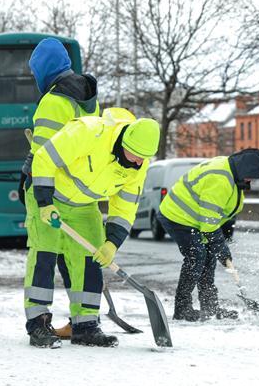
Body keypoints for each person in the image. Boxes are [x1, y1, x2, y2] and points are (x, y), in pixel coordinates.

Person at [25, 108, 160, 348]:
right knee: (45, 253)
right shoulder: (90, 132)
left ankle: (85, 325)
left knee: (89, 259)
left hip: (84, 206)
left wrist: (112, 243)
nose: (139, 162)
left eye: (145, 157)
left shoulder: (139, 165)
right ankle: (38, 324)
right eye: (136, 155)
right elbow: (44, 159)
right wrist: (44, 203)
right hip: (49, 194)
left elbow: (125, 206)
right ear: (123, 141)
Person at [20, 38, 100, 338]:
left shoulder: (52, 103)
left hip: (49, 193)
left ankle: (38, 323)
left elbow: (43, 157)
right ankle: (86, 325)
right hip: (83, 194)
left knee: (43, 255)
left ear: (43, 70)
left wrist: (40, 196)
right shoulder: (89, 102)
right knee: (86, 258)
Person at [157, 148, 259, 321]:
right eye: (250, 176)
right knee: (197, 255)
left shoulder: (231, 172)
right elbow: (209, 225)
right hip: (177, 216)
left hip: (195, 219)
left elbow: (215, 218)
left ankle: (210, 307)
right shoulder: (220, 179)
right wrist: (222, 249)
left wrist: (219, 248)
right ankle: (182, 308)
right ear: (244, 169)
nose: (250, 180)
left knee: (208, 258)